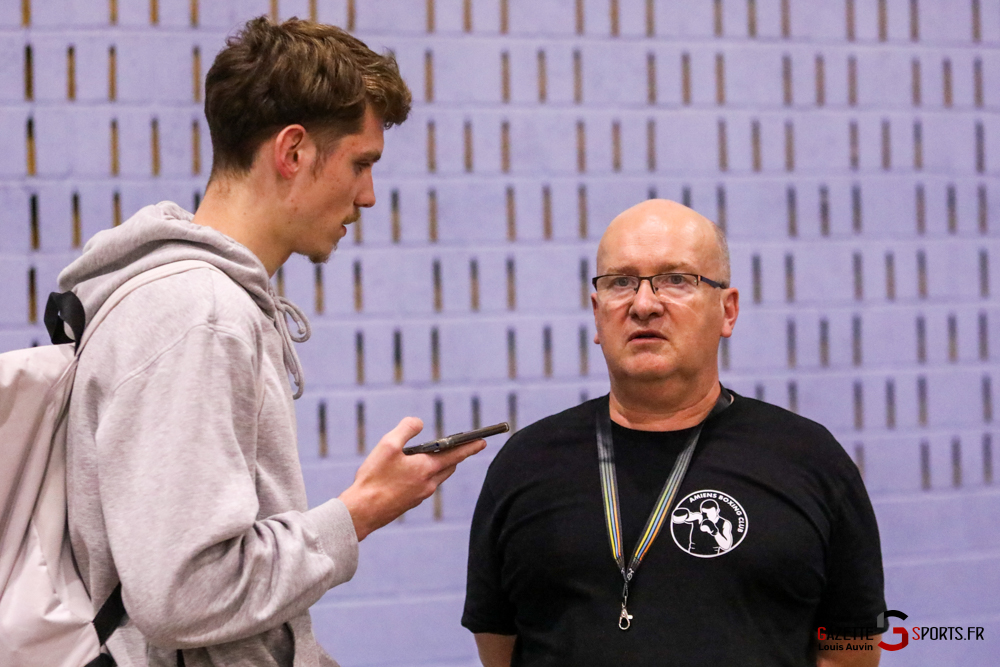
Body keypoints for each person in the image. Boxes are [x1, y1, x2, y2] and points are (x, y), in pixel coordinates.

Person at [58, 17, 484, 667]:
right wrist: (358, 512)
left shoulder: (198, 305)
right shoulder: (197, 316)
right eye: (360, 163)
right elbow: (184, 593)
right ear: (293, 152)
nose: (368, 195)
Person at [462, 199, 885, 666]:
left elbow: (850, 651)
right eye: (621, 282)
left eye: (676, 280)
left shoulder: (809, 459)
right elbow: (499, 648)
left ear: (728, 310)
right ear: (597, 312)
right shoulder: (526, 463)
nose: (644, 304)